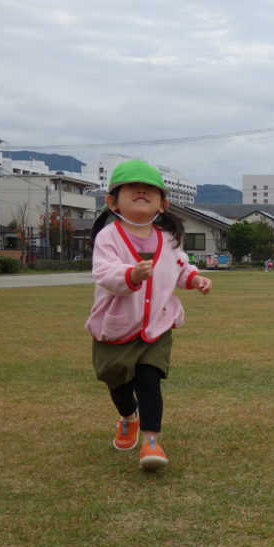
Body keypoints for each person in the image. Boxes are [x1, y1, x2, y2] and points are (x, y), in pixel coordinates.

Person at [85, 159, 212, 470]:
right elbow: (105, 273)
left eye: (150, 191)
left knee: (148, 378)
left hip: (156, 324)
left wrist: (194, 279)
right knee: (116, 381)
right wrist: (130, 275)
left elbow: (180, 266)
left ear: (162, 204)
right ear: (112, 201)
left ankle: (151, 441)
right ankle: (128, 417)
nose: (141, 191)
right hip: (115, 326)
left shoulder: (167, 240)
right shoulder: (108, 237)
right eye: (132, 189)